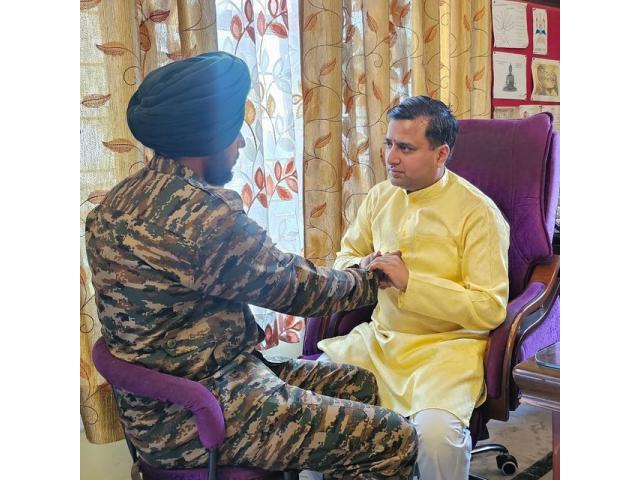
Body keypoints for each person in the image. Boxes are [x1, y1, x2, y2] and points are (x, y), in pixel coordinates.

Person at [84, 51, 418, 479]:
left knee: (359, 384)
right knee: (395, 438)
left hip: (162, 407)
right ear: (206, 136)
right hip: (199, 414)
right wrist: (371, 278)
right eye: (234, 130)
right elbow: (295, 288)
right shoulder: (201, 215)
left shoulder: (118, 201)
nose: (241, 142)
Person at [316, 96, 510, 480]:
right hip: (381, 341)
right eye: (389, 143)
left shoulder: (478, 213)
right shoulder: (380, 196)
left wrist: (410, 282)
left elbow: (489, 307)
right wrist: (363, 267)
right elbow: (345, 257)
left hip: (447, 350)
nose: (390, 157)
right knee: (313, 405)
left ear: (441, 154)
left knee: (437, 438)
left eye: (405, 148)